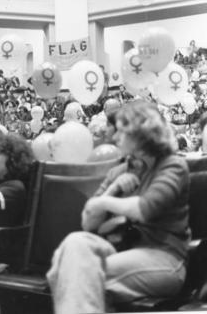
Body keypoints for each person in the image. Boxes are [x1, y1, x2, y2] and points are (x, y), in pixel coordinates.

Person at [47, 100, 190, 314]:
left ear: (140, 134)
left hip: (163, 256)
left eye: (122, 131)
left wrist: (103, 202)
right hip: (121, 250)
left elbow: (145, 208)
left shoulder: (173, 166)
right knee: (75, 242)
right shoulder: (119, 171)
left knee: (75, 275)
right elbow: (87, 223)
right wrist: (112, 189)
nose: (114, 137)